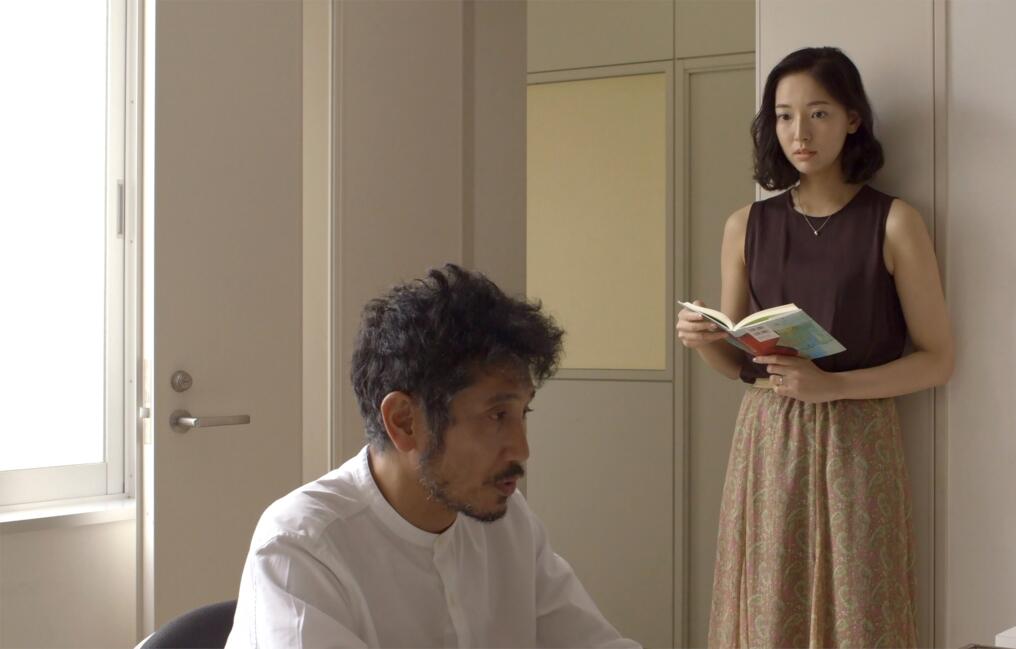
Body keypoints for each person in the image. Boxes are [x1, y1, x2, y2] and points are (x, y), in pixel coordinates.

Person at [676, 47, 954, 648]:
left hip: (859, 437)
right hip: (767, 435)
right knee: (768, 602)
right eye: (783, 116)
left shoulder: (895, 221)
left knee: (858, 604)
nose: (799, 133)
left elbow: (937, 359)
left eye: (819, 113)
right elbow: (739, 363)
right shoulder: (745, 224)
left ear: (853, 118)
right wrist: (704, 342)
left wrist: (834, 387)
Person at [227, 264, 639, 648]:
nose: (522, 449)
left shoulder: (507, 521)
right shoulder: (301, 548)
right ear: (404, 421)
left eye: (522, 413)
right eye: (497, 416)